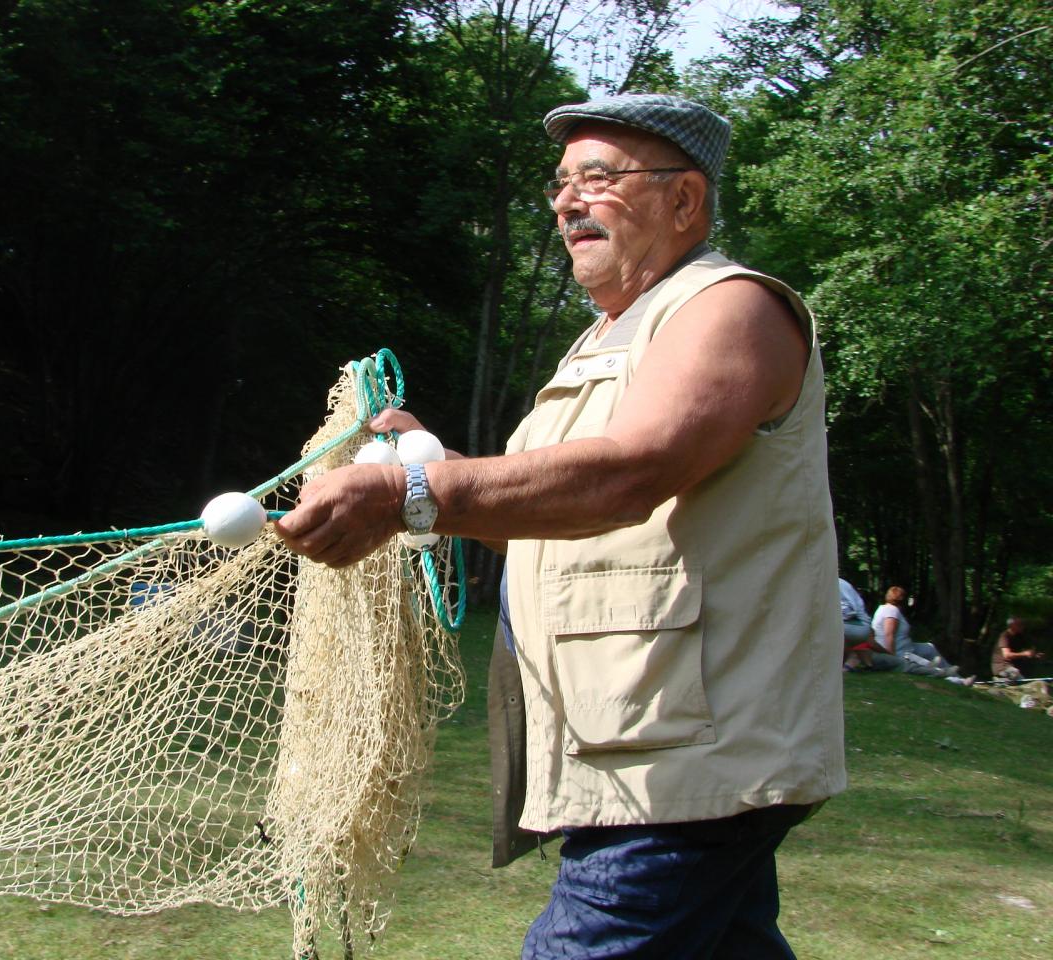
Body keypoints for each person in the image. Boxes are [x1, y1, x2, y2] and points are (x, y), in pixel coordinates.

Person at [276, 92, 845, 958]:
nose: (566, 202)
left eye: (597, 178)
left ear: (685, 200)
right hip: (641, 740)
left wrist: (412, 495)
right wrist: (430, 462)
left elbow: (631, 475)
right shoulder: (608, 338)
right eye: (559, 184)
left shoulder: (728, 310)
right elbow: (554, 520)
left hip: (688, 757)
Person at [870, 586, 972, 683]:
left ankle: (955, 675)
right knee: (927, 668)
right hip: (900, 651)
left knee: (929, 648)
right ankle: (957, 680)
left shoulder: (885, 609)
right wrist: (892, 658)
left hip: (907, 646)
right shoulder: (891, 610)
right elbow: (889, 635)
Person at [839, 577, 880, 670]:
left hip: (858, 624)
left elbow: (849, 609)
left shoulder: (837, 584)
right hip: (853, 624)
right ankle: (849, 660)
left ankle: (853, 656)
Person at [990, 616, 1043, 681]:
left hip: (1012, 667)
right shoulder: (1005, 636)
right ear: (1012, 625)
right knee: (1020, 680)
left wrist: (1034, 655)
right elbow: (1006, 655)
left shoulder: (1019, 636)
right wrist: (1025, 654)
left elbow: (1024, 652)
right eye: (1020, 624)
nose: (1022, 626)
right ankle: (1000, 680)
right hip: (1002, 667)